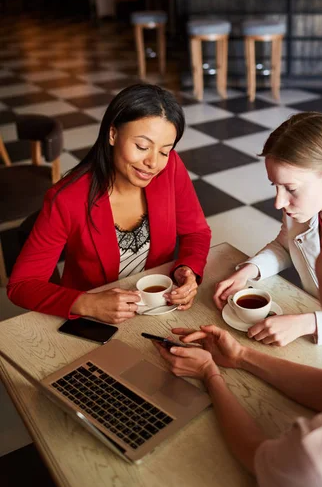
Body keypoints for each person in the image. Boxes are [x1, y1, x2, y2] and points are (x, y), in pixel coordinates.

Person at [156, 125, 322, 487]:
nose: (278, 203)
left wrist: (211, 375)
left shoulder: (316, 460)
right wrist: (242, 357)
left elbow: (260, 459)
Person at [7, 84, 211, 323]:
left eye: (164, 151)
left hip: (158, 309)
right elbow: (22, 285)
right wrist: (86, 303)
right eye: (142, 146)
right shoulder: (66, 199)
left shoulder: (170, 167)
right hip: (96, 321)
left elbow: (196, 231)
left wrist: (187, 269)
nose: (153, 163)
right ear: (112, 134)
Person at [214, 112, 322, 346]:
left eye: (291, 188)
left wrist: (310, 323)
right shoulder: (305, 209)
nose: (279, 202)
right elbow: (285, 245)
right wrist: (249, 270)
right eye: (275, 186)